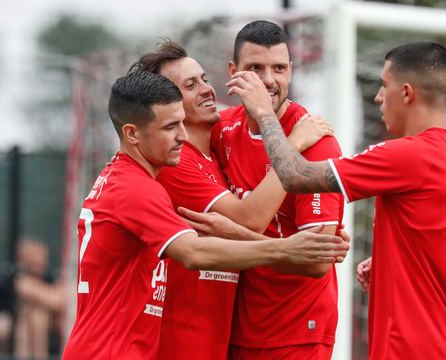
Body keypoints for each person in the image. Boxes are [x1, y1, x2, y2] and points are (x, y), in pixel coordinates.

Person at [228, 41, 446, 359]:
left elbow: (294, 174)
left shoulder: (408, 155)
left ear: (407, 93)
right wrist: (397, 266)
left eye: (384, 86)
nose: (378, 98)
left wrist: (264, 112)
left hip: (407, 350)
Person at [61, 70, 349, 359]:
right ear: (132, 134)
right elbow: (194, 252)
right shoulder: (136, 188)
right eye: (170, 127)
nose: (182, 136)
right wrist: (285, 248)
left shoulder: (132, 181)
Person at [132, 40, 335, 359]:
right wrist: (291, 144)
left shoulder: (217, 144)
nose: (206, 90)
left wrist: (329, 227)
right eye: (190, 85)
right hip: (183, 333)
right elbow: (249, 219)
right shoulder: (175, 163)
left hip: (252, 330)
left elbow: (317, 256)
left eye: (204, 80)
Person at [210, 20, 345, 359]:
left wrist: (231, 233)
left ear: (291, 71)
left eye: (279, 68)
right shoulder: (220, 130)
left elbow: (316, 261)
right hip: (234, 326)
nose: (269, 80)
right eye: (255, 68)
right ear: (233, 71)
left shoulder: (317, 142)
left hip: (297, 332)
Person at [0, 236, 64, 359]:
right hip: (15, 324)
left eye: (41, 258)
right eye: (33, 258)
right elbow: (22, 288)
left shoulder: (49, 278)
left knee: (38, 315)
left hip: (47, 325)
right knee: (27, 322)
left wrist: (37, 292)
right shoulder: (14, 277)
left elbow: (59, 301)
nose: (38, 262)